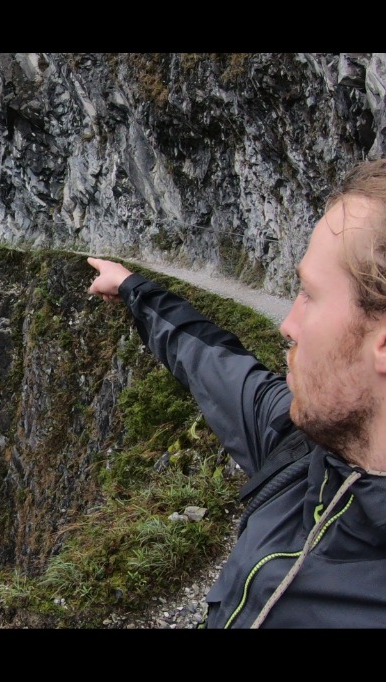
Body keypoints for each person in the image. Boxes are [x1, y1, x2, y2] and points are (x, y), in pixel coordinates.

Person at [86, 158, 386, 628]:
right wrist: (131, 288)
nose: (288, 324)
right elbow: (217, 366)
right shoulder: (308, 449)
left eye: (309, 294)